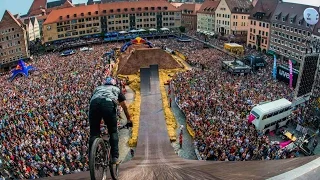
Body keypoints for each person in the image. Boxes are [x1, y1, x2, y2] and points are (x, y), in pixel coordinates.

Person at [89, 77, 132, 164]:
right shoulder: (116, 89)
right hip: (108, 104)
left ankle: (92, 157)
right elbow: (125, 107)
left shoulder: (97, 88)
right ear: (114, 84)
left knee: (94, 133)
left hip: (93, 105)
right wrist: (129, 119)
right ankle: (115, 157)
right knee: (113, 131)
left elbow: (94, 99)